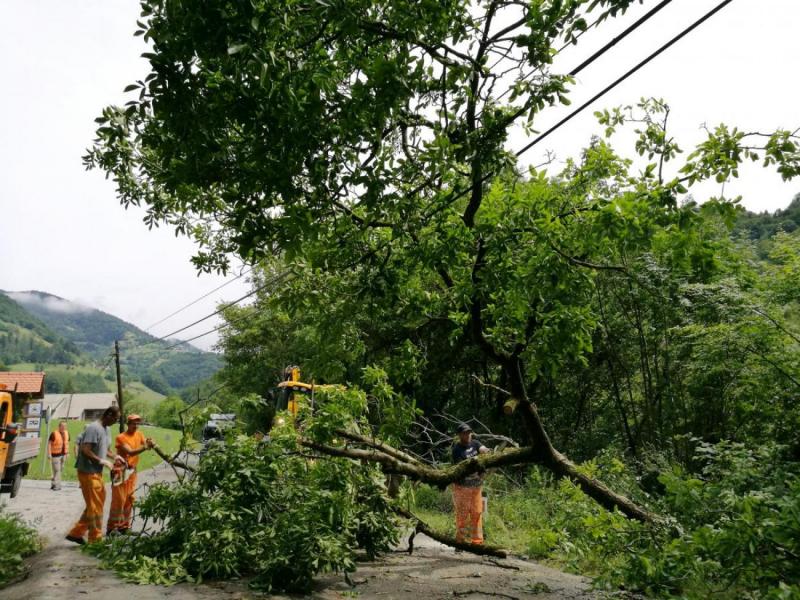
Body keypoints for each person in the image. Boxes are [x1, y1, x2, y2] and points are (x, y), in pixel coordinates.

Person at [66, 406, 124, 545]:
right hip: (87, 472)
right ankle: (95, 540)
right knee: (96, 506)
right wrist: (101, 461)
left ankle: (76, 533)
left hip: (96, 473)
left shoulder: (107, 429)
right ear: (108, 415)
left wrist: (115, 456)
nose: (116, 421)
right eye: (115, 418)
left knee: (96, 503)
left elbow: (106, 449)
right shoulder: (93, 428)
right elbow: (85, 450)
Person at [107, 414, 153, 535]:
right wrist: (145, 447)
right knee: (119, 500)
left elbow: (145, 443)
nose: (136, 425)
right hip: (120, 471)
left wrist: (150, 442)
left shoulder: (139, 434)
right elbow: (131, 452)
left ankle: (124, 527)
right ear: (128, 424)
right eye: (133, 423)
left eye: (138, 423)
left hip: (132, 471)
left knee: (129, 499)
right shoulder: (121, 437)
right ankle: (112, 528)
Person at [451, 422, 489, 545]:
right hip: (462, 487)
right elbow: (463, 468)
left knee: (477, 513)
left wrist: (485, 451)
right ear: (459, 435)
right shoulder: (457, 450)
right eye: (464, 433)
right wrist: (476, 463)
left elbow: (482, 448)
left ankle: (477, 541)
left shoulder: (475, 443)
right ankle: (460, 541)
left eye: (469, 432)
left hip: (476, 486)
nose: (467, 435)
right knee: (462, 515)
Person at [47, 420, 70, 491]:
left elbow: (67, 443)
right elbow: (49, 444)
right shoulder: (54, 434)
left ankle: (53, 484)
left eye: (65, 426)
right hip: (55, 455)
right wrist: (49, 454)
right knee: (57, 470)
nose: (64, 427)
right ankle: (57, 486)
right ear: (59, 426)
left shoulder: (67, 433)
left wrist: (67, 453)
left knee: (58, 470)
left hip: (63, 455)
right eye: (62, 426)